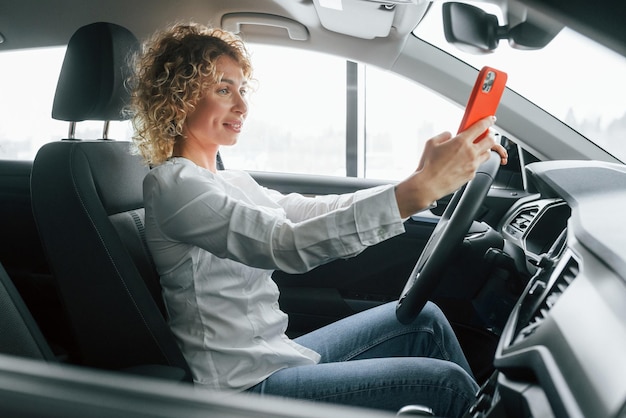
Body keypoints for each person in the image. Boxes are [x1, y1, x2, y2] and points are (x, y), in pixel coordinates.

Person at [129, 22, 508, 417]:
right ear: (178, 99)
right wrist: (418, 192)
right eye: (224, 90)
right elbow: (286, 245)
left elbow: (311, 212)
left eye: (242, 90)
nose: (242, 106)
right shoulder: (174, 185)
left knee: (424, 321)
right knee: (447, 387)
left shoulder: (229, 180)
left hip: (277, 356)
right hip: (242, 388)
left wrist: (415, 183)